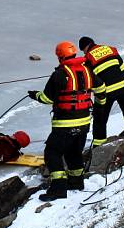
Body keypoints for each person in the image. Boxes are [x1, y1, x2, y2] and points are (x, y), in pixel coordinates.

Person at [28, 41, 103, 201]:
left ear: (59, 56)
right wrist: (100, 105)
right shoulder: (87, 70)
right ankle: (76, 182)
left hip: (64, 124)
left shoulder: (60, 73)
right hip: (84, 123)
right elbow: (101, 88)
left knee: (52, 153)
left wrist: (35, 95)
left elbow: (47, 98)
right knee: (73, 152)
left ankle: (58, 189)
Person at [78, 37, 124, 148]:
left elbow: (89, 79)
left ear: (85, 47)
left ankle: (99, 145)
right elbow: (122, 67)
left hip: (106, 91)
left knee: (100, 118)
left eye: (83, 50)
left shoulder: (88, 58)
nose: (83, 52)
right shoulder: (110, 49)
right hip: (122, 85)